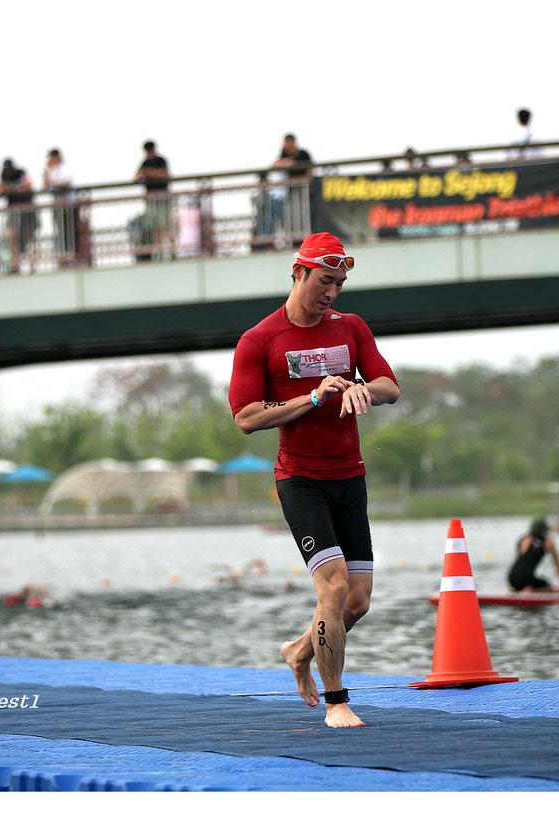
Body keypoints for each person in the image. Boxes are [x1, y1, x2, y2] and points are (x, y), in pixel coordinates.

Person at [227, 231, 400, 729]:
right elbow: (246, 417)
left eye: (340, 285)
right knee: (334, 588)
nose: (331, 293)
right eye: (325, 281)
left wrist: (364, 389)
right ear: (298, 272)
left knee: (358, 602)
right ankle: (337, 701)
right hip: (301, 480)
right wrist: (314, 398)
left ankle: (299, 651)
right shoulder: (260, 340)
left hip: (351, 477)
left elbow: (390, 385)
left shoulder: (351, 328)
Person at [0, 158, 36, 272]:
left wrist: (11, 190)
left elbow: (28, 185)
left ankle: (33, 264)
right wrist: (13, 189)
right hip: (13, 209)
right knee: (13, 237)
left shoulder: (21, 173)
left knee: (30, 236)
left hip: (27, 208)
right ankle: (16, 265)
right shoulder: (3, 176)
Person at [507, 517, 559, 592]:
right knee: (549, 587)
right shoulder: (548, 542)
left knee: (524, 576)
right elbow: (557, 565)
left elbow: (521, 563)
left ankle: (515, 589)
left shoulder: (523, 540)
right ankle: (530, 590)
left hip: (511, 578)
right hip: (526, 580)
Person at [270, 134, 313, 237]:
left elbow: (310, 170)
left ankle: (304, 236)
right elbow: (274, 163)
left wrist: (292, 163)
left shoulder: (303, 154)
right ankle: (294, 237)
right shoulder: (284, 154)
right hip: (290, 190)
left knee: (303, 212)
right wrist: (287, 162)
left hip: (303, 189)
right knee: (291, 214)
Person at [134, 140, 171, 260]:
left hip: (163, 198)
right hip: (150, 200)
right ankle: (158, 253)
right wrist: (144, 174)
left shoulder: (161, 161)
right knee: (154, 227)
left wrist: (150, 173)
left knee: (164, 226)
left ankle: (168, 253)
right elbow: (136, 176)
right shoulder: (144, 163)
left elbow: (165, 174)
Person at [43, 148, 76, 264]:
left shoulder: (64, 168)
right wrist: (46, 170)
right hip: (57, 206)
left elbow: (66, 182)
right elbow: (45, 184)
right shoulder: (51, 170)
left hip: (68, 205)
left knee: (69, 230)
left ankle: (71, 255)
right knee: (60, 231)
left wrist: (53, 183)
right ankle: (62, 256)